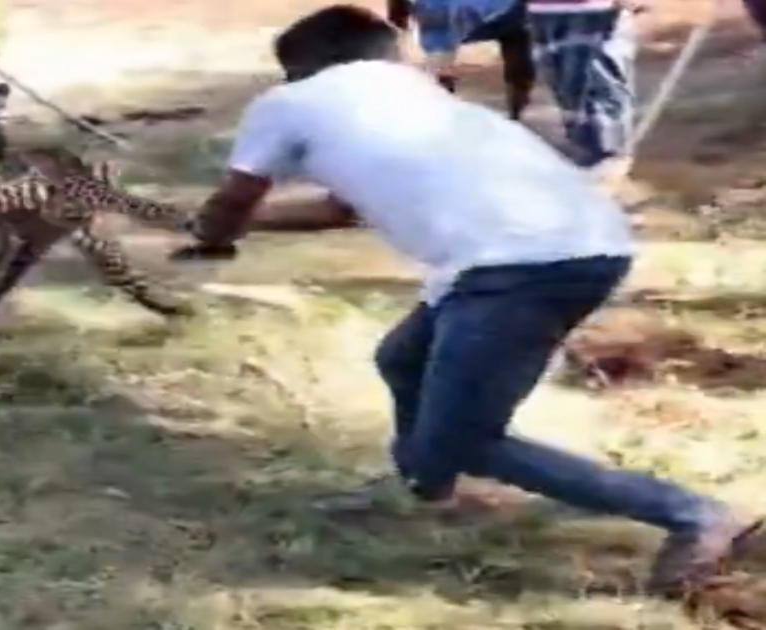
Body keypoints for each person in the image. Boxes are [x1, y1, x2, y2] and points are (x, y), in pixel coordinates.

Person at [170, 4, 761, 597]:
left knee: (471, 440)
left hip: (517, 269)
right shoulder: (419, 98)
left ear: (299, 67)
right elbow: (336, 210)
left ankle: (693, 514)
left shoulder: (289, 103)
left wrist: (211, 236)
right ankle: (426, 487)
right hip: (575, 244)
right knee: (402, 359)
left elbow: (234, 199)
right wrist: (228, 226)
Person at [526, 0, 639, 181]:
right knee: (566, 88)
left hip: (596, 10)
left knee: (598, 87)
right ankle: (586, 154)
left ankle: (605, 158)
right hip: (541, 11)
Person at [387, 0, 536, 120]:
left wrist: (398, 16)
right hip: (501, 12)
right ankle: (517, 103)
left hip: (439, 13)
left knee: (440, 53)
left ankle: (442, 107)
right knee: (517, 34)